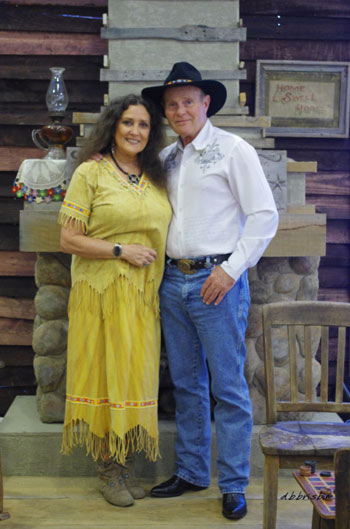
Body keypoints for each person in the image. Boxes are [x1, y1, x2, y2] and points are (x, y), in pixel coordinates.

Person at [141, 62, 279, 520]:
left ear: (205, 104)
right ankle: (193, 471)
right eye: (171, 104)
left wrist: (232, 270)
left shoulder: (232, 149)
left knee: (228, 386)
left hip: (216, 281)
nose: (180, 110)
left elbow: (264, 215)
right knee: (186, 383)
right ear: (165, 112)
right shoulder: (166, 158)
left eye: (188, 101)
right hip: (172, 280)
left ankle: (234, 482)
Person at [58, 94, 172, 508]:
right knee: (107, 377)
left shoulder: (155, 176)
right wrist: (120, 250)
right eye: (128, 123)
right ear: (113, 126)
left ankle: (123, 465)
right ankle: (108, 472)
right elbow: (68, 238)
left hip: (143, 300)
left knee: (134, 377)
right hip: (101, 296)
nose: (136, 132)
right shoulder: (91, 173)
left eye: (143, 125)